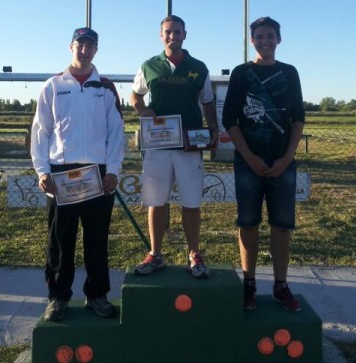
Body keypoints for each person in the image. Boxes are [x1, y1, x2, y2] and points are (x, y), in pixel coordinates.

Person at [30, 27, 124, 322]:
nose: (84, 50)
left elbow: (116, 133)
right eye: (80, 45)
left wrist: (113, 170)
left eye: (90, 46)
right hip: (61, 175)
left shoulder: (106, 88)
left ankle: (97, 295)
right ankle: (58, 298)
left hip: (97, 175)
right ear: (71, 47)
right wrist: (42, 170)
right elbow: (40, 132)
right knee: (60, 239)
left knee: (96, 240)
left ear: (96, 50)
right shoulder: (53, 86)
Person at [222, 17, 305, 312]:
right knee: (248, 224)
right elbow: (229, 119)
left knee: (282, 226)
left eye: (270, 36)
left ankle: (281, 285)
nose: (265, 41)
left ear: (278, 39)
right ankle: (249, 284)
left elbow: (298, 118)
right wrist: (250, 157)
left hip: (283, 163)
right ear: (252, 40)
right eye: (259, 36)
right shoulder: (242, 73)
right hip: (248, 164)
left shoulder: (290, 72)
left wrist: (286, 158)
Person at [130, 15, 218, 278]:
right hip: (157, 145)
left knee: (191, 202)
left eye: (177, 32)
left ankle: (194, 253)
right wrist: (142, 109)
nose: (173, 36)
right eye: (168, 32)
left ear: (185, 35)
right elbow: (135, 94)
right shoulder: (149, 65)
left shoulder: (199, 67)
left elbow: (208, 102)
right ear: (161, 35)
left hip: (190, 145)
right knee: (156, 201)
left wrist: (213, 131)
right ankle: (156, 254)